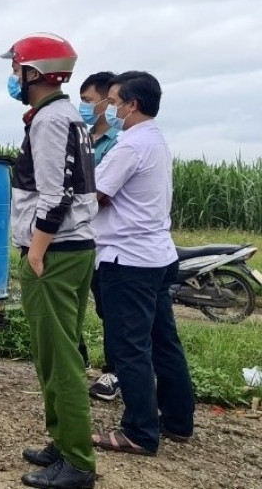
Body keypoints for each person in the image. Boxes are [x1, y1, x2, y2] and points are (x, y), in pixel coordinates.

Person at [2, 33, 98, 489]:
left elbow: (54, 196)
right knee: (56, 352)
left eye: (16, 69)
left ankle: (78, 463)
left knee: (60, 357)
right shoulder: (64, 115)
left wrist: (36, 252)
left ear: (33, 74)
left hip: (55, 253)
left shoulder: (49, 121)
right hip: (72, 250)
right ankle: (63, 443)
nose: (13, 77)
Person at [90, 71, 195, 456]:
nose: (110, 109)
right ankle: (179, 422)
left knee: (130, 346)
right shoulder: (156, 139)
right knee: (163, 340)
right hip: (156, 256)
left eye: (114, 102)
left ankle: (138, 431)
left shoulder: (130, 146)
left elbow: (98, 194)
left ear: (132, 105)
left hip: (127, 259)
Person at [77, 71, 121, 401]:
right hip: (86, 237)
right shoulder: (86, 138)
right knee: (88, 305)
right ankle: (80, 362)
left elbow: (99, 193)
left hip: (111, 240)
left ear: (109, 102)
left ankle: (115, 373)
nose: (85, 108)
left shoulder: (120, 144)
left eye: (90, 101)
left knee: (112, 309)